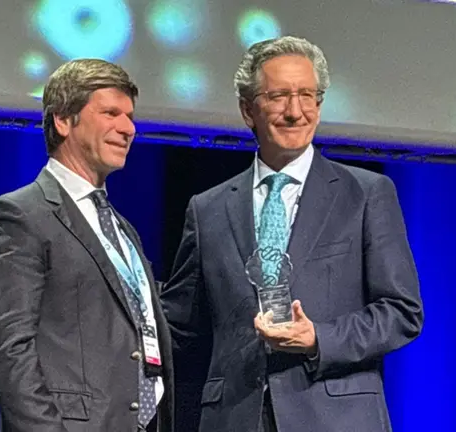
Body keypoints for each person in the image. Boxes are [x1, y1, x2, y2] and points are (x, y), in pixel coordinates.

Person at [160, 36, 424, 432]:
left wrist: (319, 337)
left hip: (336, 418)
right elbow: (180, 324)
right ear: (248, 109)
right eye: (279, 96)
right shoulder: (208, 208)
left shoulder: (365, 194)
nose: (295, 111)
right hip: (234, 417)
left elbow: (402, 312)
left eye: (307, 95)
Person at [0, 59, 174, 432]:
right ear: (63, 120)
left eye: (130, 116)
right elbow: (8, 353)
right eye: (111, 113)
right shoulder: (20, 216)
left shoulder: (122, 228)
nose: (128, 128)